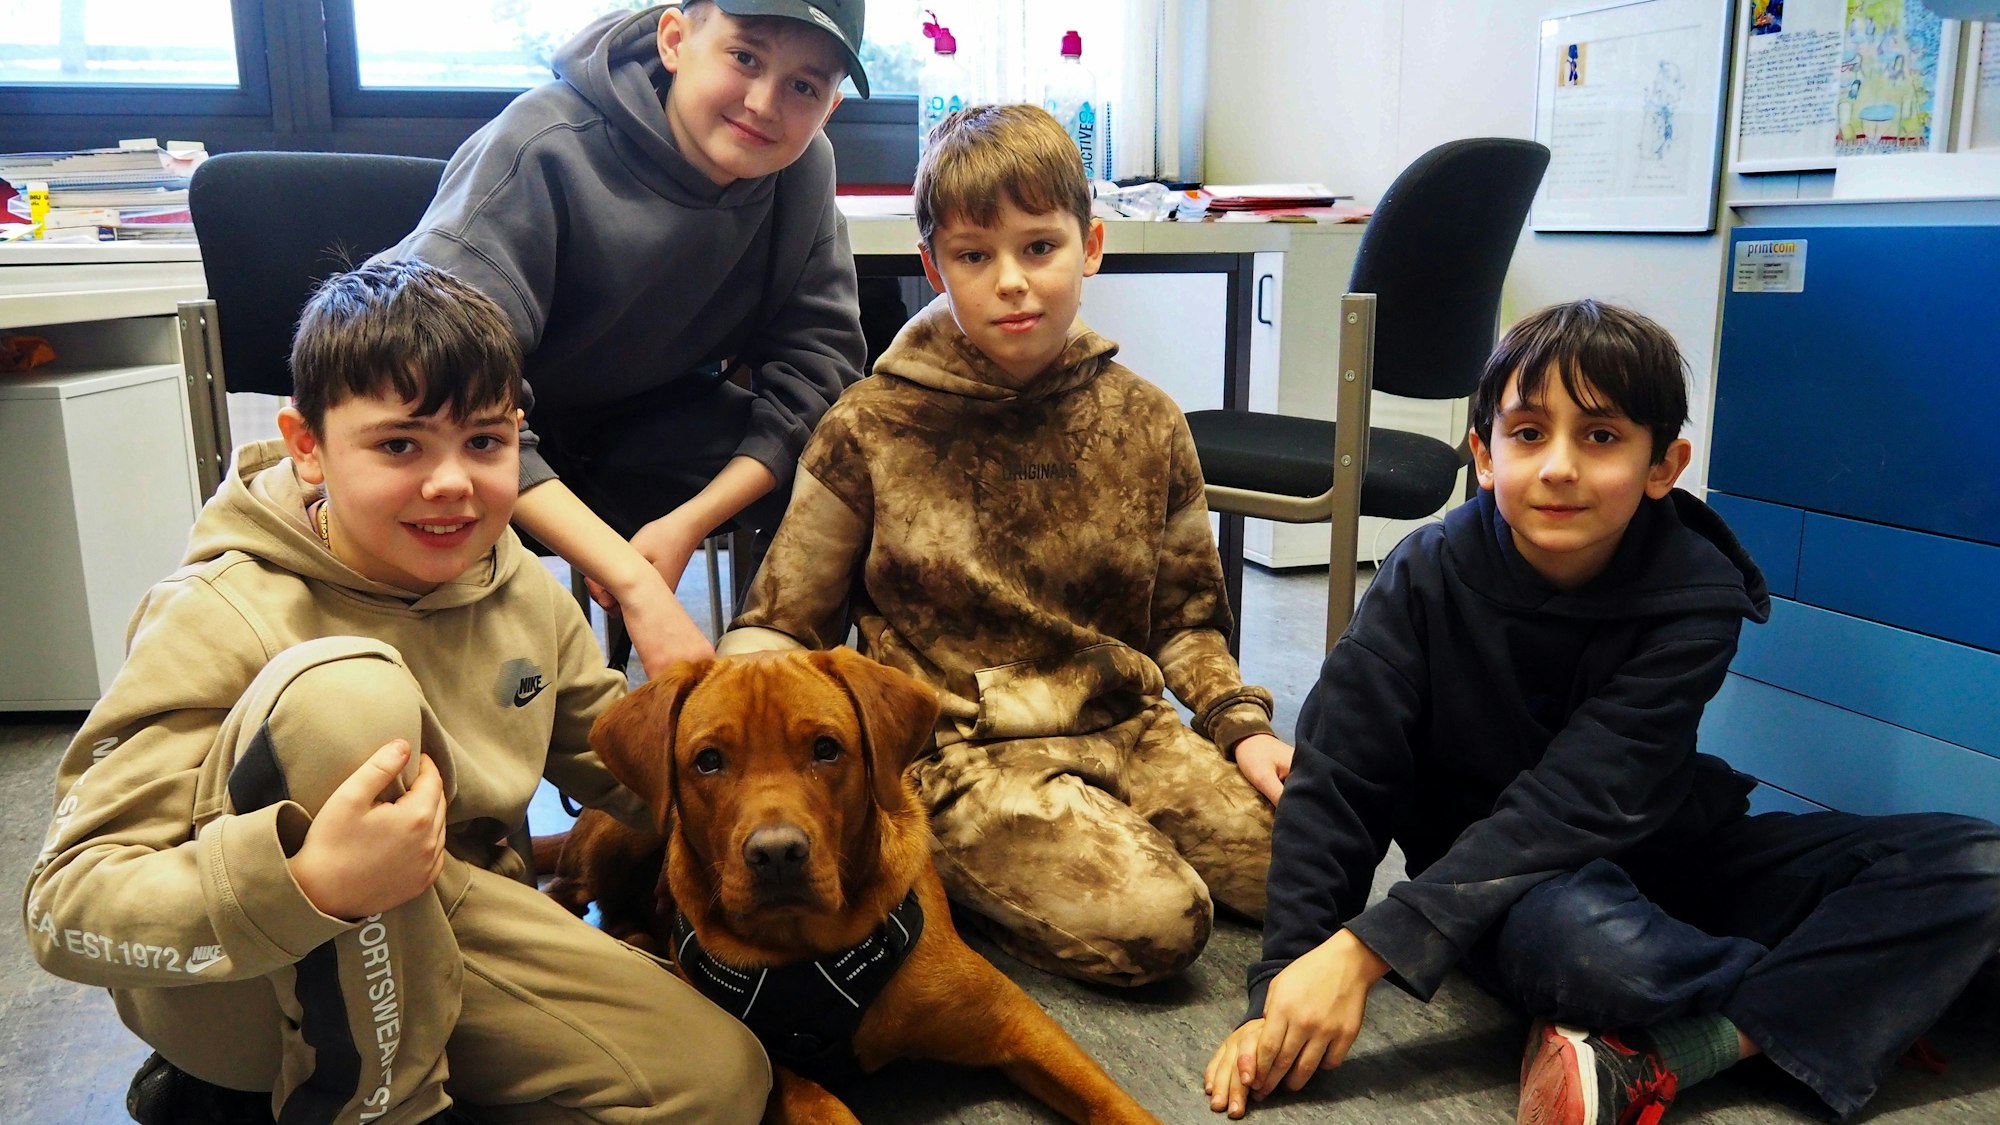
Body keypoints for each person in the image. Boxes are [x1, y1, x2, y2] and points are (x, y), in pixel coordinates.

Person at [1203, 299, 2000, 1124]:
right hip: (1508, 889)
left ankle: (1708, 1038)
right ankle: (1867, 986)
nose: (1558, 466)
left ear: (1664, 465)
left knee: (1981, 865)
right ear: (1484, 455)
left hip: (1671, 851)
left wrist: (1365, 950)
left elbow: (1582, 797)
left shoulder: (1698, 595)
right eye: (1527, 433)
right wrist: (1285, 983)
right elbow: (1339, 783)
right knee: (1601, 957)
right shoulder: (1423, 575)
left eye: (1601, 436)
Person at [23, 261, 768, 1124]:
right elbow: (65, 906)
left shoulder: (521, 588)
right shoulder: (217, 611)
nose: (451, 482)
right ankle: (358, 1105)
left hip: (452, 921)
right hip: (262, 968)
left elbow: (637, 773)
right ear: (307, 444)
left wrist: (809, 813)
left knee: (720, 1084)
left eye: (484, 442)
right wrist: (309, 882)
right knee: (350, 697)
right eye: (400, 445)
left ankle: (407, 1082)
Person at [718, 104, 1292, 987]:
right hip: (962, 757)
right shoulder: (869, 427)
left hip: (1128, 724)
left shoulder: (1145, 418)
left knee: (1309, 865)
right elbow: (785, 624)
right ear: (934, 266)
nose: (1012, 281)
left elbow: (1186, 622)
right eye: (975, 256)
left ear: (1090, 246)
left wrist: (1241, 728)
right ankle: (949, 873)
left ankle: (1085, 840)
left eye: (1040, 247)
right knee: (1161, 923)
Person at [382, 0, 872, 678]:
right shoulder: (543, 144)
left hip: (640, 420)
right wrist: (632, 579)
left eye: (803, 86)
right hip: (475, 426)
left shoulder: (804, 169)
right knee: (422, 481)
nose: (764, 103)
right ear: (674, 40)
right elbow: (445, 389)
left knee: (845, 471)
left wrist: (689, 521)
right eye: (744, 57)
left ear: (830, 108)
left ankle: (769, 691)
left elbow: (818, 373)